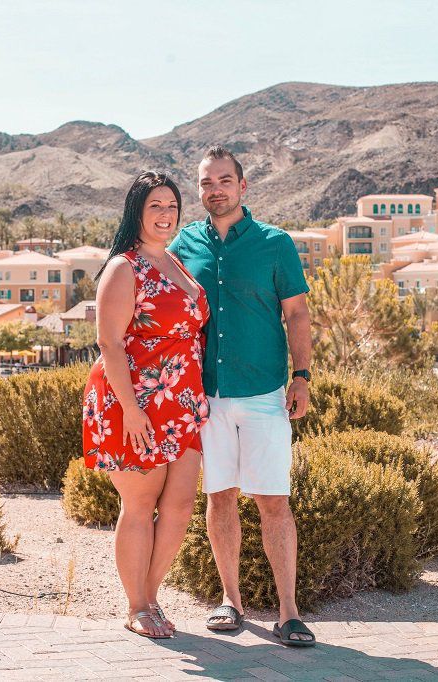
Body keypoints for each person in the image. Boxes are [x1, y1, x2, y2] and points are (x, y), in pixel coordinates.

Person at [169, 146, 316, 647]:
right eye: (207, 183)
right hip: (206, 396)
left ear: (243, 186)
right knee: (220, 495)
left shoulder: (275, 244)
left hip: (264, 393)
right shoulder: (183, 244)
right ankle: (230, 601)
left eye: (224, 180)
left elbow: (296, 314)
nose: (216, 189)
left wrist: (303, 376)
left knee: (274, 499)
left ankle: (289, 612)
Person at [81, 171, 210, 639]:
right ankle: (137, 605)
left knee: (178, 508)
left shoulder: (177, 262)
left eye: (172, 206)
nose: (165, 214)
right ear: (137, 210)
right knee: (139, 505)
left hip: (182, 404)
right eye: (155, 205)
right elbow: (109, 343)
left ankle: (150, 596)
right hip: (132, 401)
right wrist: (132, 410)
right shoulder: (124, 267)